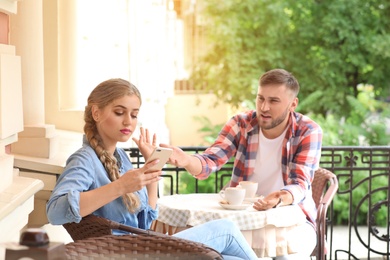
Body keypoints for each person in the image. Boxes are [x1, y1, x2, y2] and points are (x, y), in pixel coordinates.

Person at [46, 78, 258, 260]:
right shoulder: (84, 159)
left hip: (143, 248)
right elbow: (55, 212)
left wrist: (152, 171)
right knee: (226, 230)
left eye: (134, 114)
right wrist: (120, 186)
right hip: (130, 254)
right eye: (119, 112)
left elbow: (145, 221)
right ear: (96, 113)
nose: (128, 121)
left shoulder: (120, 158)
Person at [161, 69, 322, 260]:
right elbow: (211, 160)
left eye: (273, 101)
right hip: (244, 222)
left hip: (293, 223)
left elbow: (300, 183)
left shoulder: (308, 131)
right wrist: (187, 160)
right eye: (260, 98)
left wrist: (278, 198)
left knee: (286, 257)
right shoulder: (242, 123)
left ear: (292, 104)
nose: (264, 107)